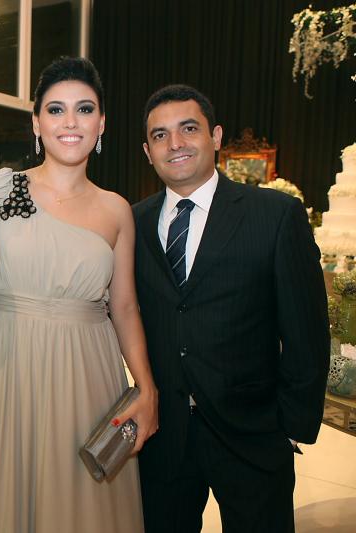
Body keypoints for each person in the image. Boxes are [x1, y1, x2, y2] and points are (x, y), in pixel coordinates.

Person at [0, 56, 158, 533]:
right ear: (36, 123)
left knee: (77, 503)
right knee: (6, 488)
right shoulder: (3, 189)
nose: (70, 122)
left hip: (86, 370)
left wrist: (146, 387)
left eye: (84, 109)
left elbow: (125, 306)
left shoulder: (116, 210)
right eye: (56, 110)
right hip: (8, 364)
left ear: (101, 124)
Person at [134, 84, 330, 532]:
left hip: (253, 433)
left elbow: (306, 331)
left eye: (189, 129)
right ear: (147, 152)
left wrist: (291, 425)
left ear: (216, 136)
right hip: (165, 437)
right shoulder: (134, 221)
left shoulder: (275, 215)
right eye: (160, 135)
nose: (175, 143)